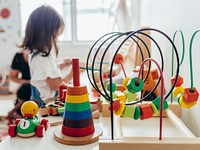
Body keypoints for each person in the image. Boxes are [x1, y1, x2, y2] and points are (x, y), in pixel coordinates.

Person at [18, 5, 73, 107]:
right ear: (44, 34)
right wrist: (71, 75)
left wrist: (61, 65)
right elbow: (56, 86)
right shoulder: (44, 58)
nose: (57, 40)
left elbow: (45, 74)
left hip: (41, 101)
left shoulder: (35, 53)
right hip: (49, 104)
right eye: (56, 36)